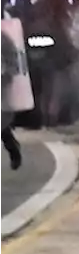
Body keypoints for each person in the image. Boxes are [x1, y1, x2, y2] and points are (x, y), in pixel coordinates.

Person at [0, 24, 23, 170]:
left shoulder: (2, 38)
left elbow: (12, 57)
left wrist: (8, 74)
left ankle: (12, 148)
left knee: (1, 122)